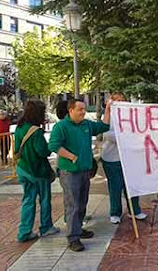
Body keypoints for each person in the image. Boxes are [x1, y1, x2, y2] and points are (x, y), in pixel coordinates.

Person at [49, 98, 111, 252]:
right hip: (70, 173)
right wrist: (71, 157)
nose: (83, 112)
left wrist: (108, 108)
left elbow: (104, 126)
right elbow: (54, 145)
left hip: (85, 171)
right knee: (73, 205)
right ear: (71, 111)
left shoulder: (86, 124)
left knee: (82, 202)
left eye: (84, 109)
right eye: (80, 109)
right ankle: (73, 238)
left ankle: (78, 228)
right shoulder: (61, 126)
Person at [15, 100, 59, 242]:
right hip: (38, 171)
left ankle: (24, 231)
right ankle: (45, 227)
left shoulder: (19, 127)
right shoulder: (36, 131)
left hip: (23, 168)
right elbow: (43, 151)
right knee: (45, 199)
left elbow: (16, 149)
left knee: (28, 200)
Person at [101, 92, 147, 224]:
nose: (120, 102)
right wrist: (125, 138)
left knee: (132, 185)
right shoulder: (108, 116)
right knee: (115, 186)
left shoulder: (131, 116)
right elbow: (107, 133)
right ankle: (115, 212)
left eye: (122, 100)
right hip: (112, 158)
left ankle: (135, 210)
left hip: (130, 158)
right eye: (117, 100)